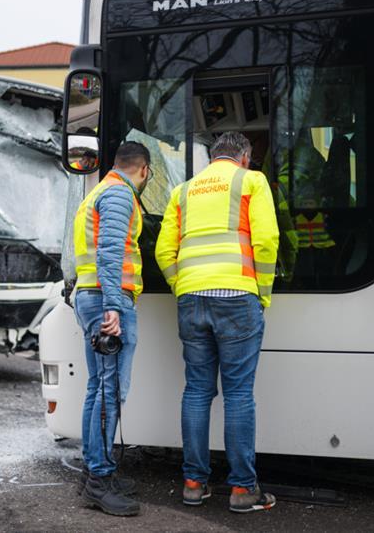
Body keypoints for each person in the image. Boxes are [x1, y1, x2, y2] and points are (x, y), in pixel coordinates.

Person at [155, 131, 279, 513]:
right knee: (238, 394)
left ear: (212, 158)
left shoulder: (184, 191)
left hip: (192, 300)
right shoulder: (251, 181)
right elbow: (267, 240)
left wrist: (182, 284)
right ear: (243, 157)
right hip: (237, 296)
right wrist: (263, 291)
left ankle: (194, 484)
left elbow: (164, 250)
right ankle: (242, 490)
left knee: (196, 391)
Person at [72, 141, 151, 517]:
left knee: (98, 387)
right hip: (107, 298)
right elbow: (109, 251)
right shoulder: (120, 194)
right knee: (111, 390)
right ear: (144, 170)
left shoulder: (99, 192)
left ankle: (94, 470)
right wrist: (114, 308)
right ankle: (99, 481)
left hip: (91, 295)